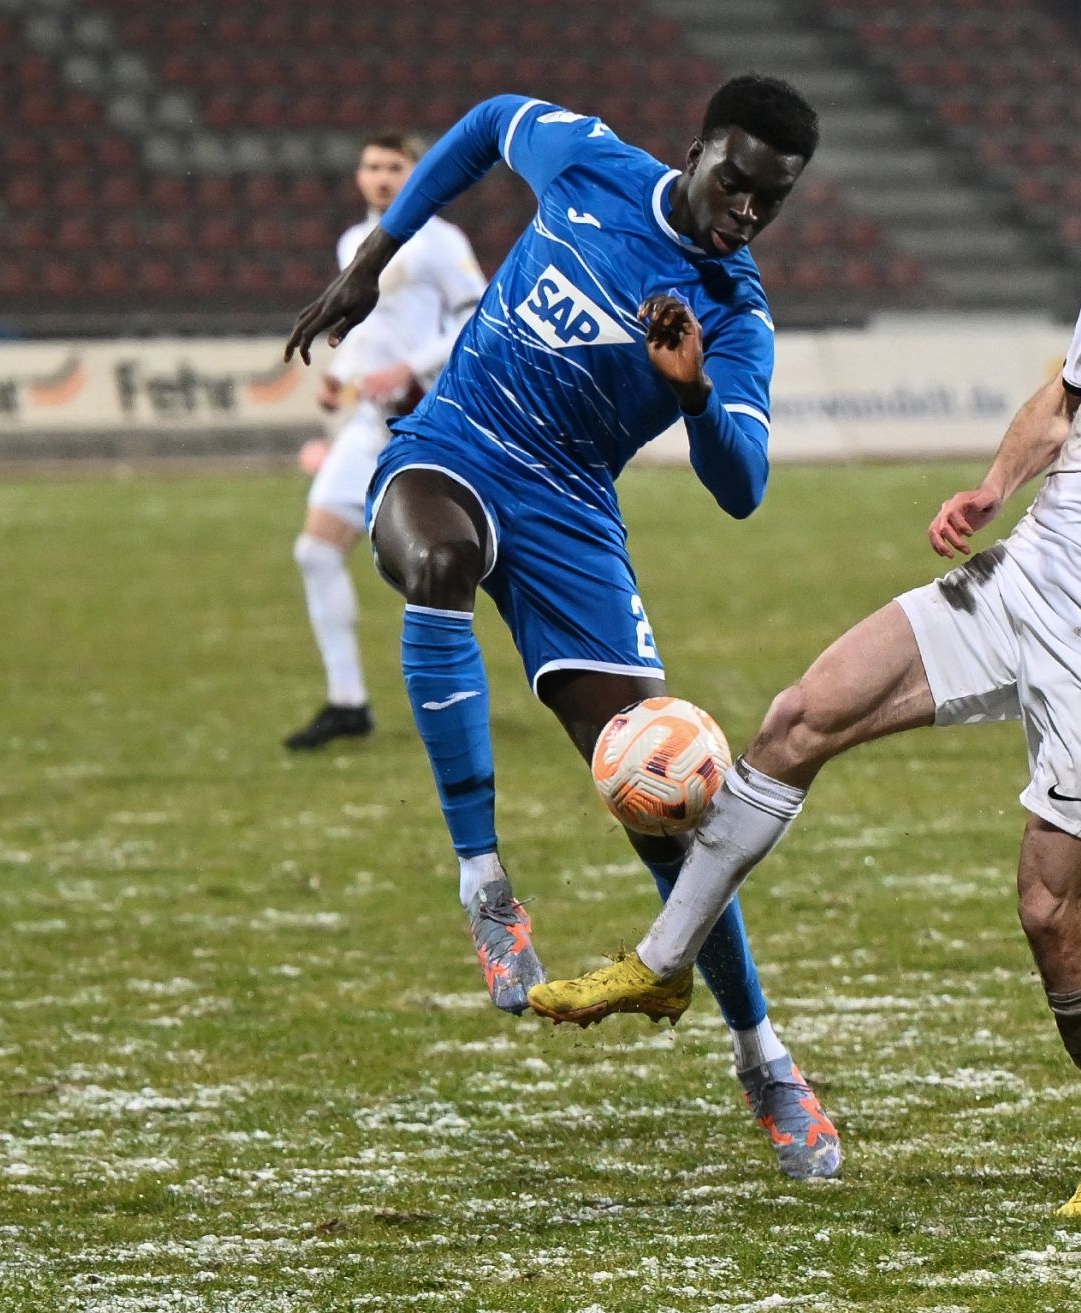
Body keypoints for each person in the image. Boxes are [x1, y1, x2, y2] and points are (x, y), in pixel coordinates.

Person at [529, 98, 1081, 1215]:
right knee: (799, 717)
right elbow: (1069, 394)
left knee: (1052, 914)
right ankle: (661, 964)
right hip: (1024, 576)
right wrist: (997, 485)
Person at [283, 77, 841, 1179]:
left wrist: (690, 395)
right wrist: (373, 257)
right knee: (435, 560)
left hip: (572, 511)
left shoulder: (732, 311)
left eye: (767, 203)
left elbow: (744, 486)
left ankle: (763, 1057)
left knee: (668, 807)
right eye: (733, 184)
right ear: (697, 152)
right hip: (458, 439)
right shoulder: (592, 164)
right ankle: (486, 883)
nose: (742, 214)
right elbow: (489, 119)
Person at [286, 131, 486, 752]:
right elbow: (367, 330)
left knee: (462, 569)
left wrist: (411, 367)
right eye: (371, 166)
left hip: (427, 422)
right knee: (315, 553)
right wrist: (339, 379)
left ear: (418, 174)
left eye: (394, 167)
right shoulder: (356, 242)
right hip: (370, 425)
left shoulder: (440, 241)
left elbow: (475, 318)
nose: (380, 177)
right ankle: (348, 702)